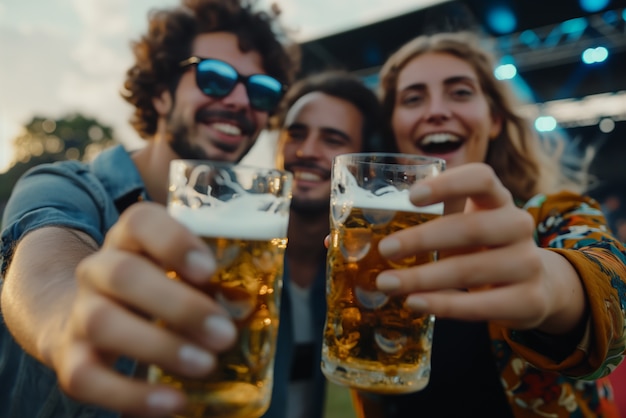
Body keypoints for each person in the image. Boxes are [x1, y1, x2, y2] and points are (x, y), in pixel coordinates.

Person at [0, 0, 298, 417]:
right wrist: (65, 319)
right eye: (214, 77)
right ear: (160, 94)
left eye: (261, 89)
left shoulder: (255, 245)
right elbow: (47, 259)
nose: (239, 100)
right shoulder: (66, 185)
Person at [349, 31, 626, 417]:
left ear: (494, 119)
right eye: (413, 98)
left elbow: (615, 289)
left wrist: (552, 287)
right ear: (393, 125)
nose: (436, 111)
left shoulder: (551, 215)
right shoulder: (370, 246)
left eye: (460, 92)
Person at [264, 70, 383, 418]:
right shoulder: (239, 259)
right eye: (295, 134)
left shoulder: (371, 275)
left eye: (332, 140)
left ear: (365, 160)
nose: (306, 151)